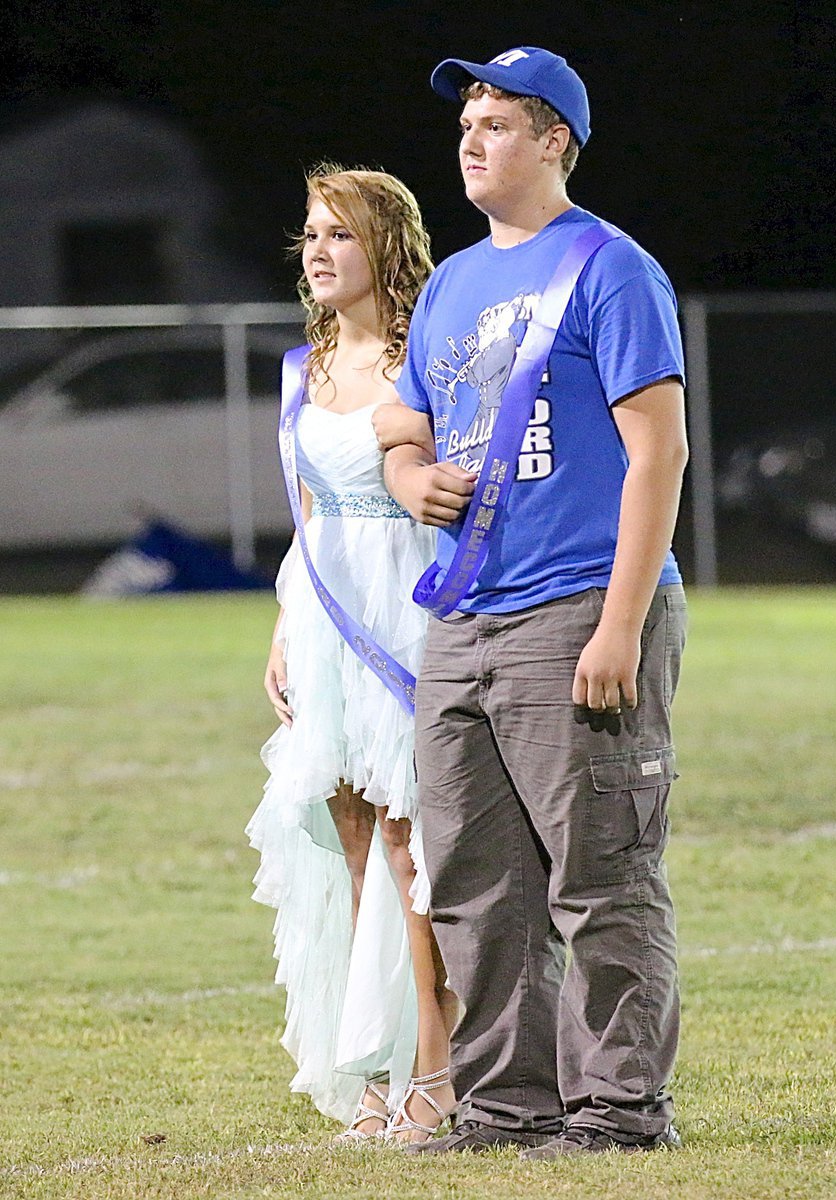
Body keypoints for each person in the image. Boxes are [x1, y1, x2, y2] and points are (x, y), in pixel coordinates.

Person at [377, 47, 689, 1158]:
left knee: (600, 872)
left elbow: (660, 452)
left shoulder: (609, 266)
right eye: (467, 121)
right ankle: (508, 1108)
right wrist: (412, 478)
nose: (472, 139)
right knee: (474, 880)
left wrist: (619, 621)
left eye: (499, 122)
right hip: (464, 617)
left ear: (556, 138)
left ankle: (616, 1111)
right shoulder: (455, 281)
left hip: (576, 605)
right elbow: (403, 425)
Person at [246, 165, 457, 1144]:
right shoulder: (305, 368)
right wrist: (285, 632)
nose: (317, 251)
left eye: (337, 233)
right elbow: (307, 518)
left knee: (416, 840)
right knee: (355, 838)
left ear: (383, 247)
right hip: (325, 614)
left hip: (406, 608)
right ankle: (375, 1069)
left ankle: (439, 1072)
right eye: (309, 233)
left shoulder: (430, 361)